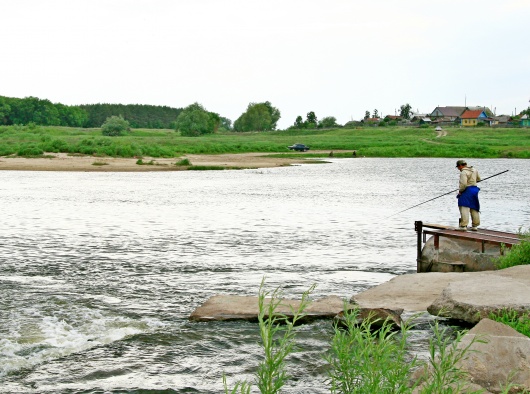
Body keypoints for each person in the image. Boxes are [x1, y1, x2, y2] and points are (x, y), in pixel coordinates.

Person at [455, 159, 481, 231]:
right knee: (474, 207)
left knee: (464, 207)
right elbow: (479, 179)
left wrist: (460, 191)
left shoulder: (463, 172)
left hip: (467, 191)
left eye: (458, 167)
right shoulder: (474, 170)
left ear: (460, 166)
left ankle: (463, 226)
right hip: (474, 190)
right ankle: (475, 226)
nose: (458, 169)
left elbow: (463, 184)